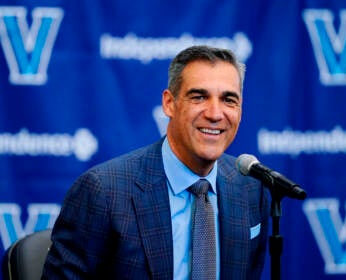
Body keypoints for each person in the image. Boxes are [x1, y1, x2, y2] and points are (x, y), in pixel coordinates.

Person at [42, 45, 270, 279]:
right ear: (169, 103)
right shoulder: (103, 191)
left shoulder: (251, 188)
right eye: (199, 97)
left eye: (228, 100)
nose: (214, 113)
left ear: (240, 110)